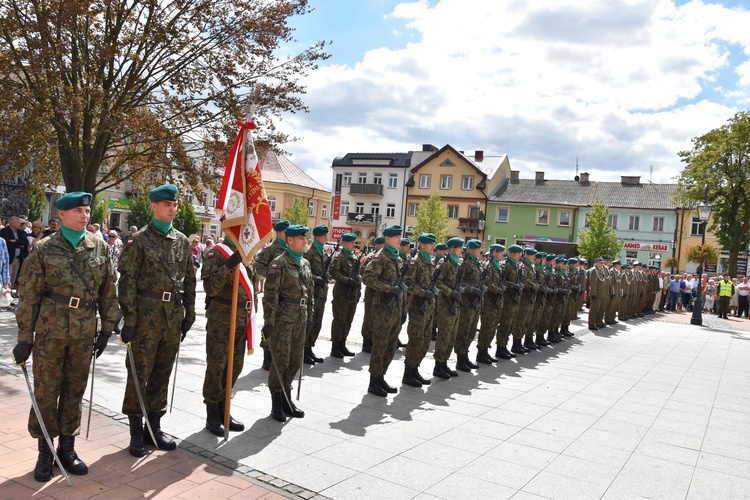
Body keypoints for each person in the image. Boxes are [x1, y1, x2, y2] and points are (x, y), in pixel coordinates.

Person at [12, 192, 118, 482]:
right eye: (78, 211)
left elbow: (108, 290)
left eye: (86, 210)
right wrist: (25, 338)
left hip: (84, 333)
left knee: (74, 391)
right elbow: (29, 295)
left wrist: (107, 329)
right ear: (61, 215)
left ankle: (67, 449)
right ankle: (45, 451)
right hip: (50, 332)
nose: (84, 215)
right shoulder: (45, 248)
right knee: (47, 392)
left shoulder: (99, 246)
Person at [118, 184, 196, 457]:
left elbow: (189, 279)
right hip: (145, 318)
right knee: (139, 373)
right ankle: (136, 432)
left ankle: (155, 426)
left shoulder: (182, 241)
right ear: (154, 207)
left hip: (172, 318)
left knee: (162, 372)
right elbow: (126, 281)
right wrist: (128, 319)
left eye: (175, 205)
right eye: (167, 205)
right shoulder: (138, 240)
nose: (172, 209)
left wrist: (190, 313)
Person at [262, 225, 313, 422]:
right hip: (283, 320)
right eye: (301, 238)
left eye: (305, 238)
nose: (305, 241)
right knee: (281, 361)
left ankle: (287, 398)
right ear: (290, 240)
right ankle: (276, 402)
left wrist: (310, 317)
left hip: (300, 318)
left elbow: (309, 294)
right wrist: (269, 322)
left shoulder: (305, 264)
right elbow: (270, 295)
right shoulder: (279, 263)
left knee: (295, 360)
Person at [201, 238, 249, 436]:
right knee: (217, 365)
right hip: (222, 319)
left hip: (241, 319)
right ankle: (212, 413)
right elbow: (210, 287)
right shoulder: (218, 253)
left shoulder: (247, 252)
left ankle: (224, 410)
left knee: (235, 366)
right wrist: (228, 265)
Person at [361, 225, 407, 396]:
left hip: (395, 307)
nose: (399, 239)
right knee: (380, 345)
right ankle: (374, 381)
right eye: (396, 236)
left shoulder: (397, 258)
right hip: (382, 309)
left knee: (391, 346)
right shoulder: (381, 257)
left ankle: (381, 377)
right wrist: (388, 288)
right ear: (387, 239)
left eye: (399, 236)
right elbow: (367, 277)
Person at [253, 220, 290, 370]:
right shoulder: (271, 249)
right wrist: (272, 274)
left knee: (282, 325)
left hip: (286, 293)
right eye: (286, 232)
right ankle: (267, 356)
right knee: (270, 323)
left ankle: (278, 355)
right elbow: (257, 266)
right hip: (272, 292)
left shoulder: (289, 249)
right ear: (279, 233)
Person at [402, 233, 437, 387]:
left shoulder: (430, 262)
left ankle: (415, 368)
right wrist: (424, 292)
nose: (433, 247)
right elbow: (408, 284)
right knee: (416, 340)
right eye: (430, 244)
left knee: (424, 341)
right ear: (422, 245)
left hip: (428, 306)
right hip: (417, 307)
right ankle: (408, 373)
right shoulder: (415, 262)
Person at [432, 237, 465, 378]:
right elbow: (437, 283)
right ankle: (438, 365)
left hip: (455, 305)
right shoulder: (443, 263)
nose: (461, 250)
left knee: (451, 336)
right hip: (446, 305)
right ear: (452, 248)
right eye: (459, 248)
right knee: (444, 336)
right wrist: (451, 292)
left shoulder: (458, 264)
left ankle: (444, 363)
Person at [328, 232, 361, 358]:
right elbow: (332, 272)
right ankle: (335, 346)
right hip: (342, 294)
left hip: (353, 294)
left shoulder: (353, 257)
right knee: (339, 320)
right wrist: (347, 280)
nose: (354, 244)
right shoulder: (339, 257)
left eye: (354, 242)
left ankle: (342, 344)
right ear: (344, 243)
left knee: (348, 320)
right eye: (351, 242)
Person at [303, 224, 331, 364]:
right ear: (318, 236)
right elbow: (304, 272)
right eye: (324, 235)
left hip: (322, 292)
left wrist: (327, 276)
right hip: (313, 292)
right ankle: (304, 349)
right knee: (311, 320)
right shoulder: (309, 252)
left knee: (318, 322)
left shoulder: (323, 251)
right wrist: (316, 278)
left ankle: (310, 347)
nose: (327, 237)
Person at [455, 239, 483, 371]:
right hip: (467, 303)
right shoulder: (465, 264)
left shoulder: (477, 263)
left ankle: (465, 356)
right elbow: (460, 283)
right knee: (464, 331)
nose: (480, 251)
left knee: (472, 332)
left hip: (476, 303)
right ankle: (460, 359)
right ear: (471, 250)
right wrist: (473, 289)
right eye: (478, 249)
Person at [476, 244, 505, 364]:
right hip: (489, 301)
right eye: (501, 252)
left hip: (496, 302)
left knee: (492, 327)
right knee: (487, 327)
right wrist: (497, 289)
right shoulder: (489, 266)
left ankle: (486, 351)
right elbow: (487, 282)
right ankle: (481, 353)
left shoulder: (498, 266)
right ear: (494, 253)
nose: (503, 254)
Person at [360, 236, 384, 352]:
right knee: (369, 317)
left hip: (379, 292)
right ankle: (366, 340)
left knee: (376, 317)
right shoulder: (372, 257)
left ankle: (373, 339)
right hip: (371, 291)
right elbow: (363, 273)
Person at [0, 215, 30, 292]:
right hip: (9, 258)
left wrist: (16, 241)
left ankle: (8, 296)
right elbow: (7, 244)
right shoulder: (4, 231)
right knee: (7, 276)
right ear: (12, 223)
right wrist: (19, 245)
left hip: (18, 258)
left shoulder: (21, 232)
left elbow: (25, 241)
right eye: (18, 222)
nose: (19, 224)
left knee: (13, 278)